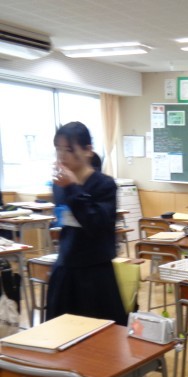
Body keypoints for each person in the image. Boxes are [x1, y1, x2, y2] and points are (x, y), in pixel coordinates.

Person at [46, 121, 127, 325]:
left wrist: (72, 187)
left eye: (68, 150)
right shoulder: (60, 185)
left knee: (102, 334)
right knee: (61, 332)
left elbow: (96, 224)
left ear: (88, 150)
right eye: (58, 149)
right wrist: (67, 187)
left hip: (95, 272)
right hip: (65, 268)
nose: (62, 156)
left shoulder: (104, 184)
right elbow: (65, 222)